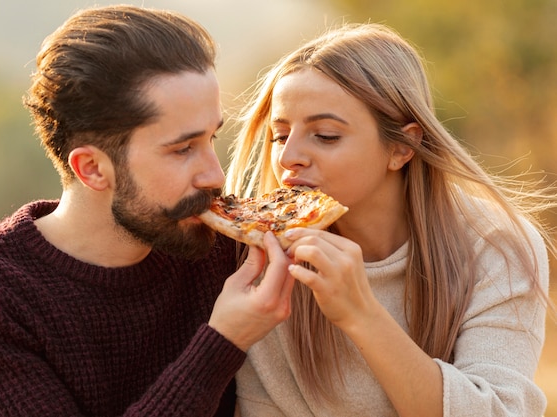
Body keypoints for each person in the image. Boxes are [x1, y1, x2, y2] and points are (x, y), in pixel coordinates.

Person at [0, 5, 295, 417]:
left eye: (212, 138)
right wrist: (223, 341)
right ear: (93, 169)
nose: (215, 174)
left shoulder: (225, 252)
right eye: (182, 149)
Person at [226, 22, 555, 416]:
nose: (287, 158)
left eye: (326, 135)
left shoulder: (497, 244)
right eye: (280, 135)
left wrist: (360, 314)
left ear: (402, 146)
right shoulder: (256, 258)